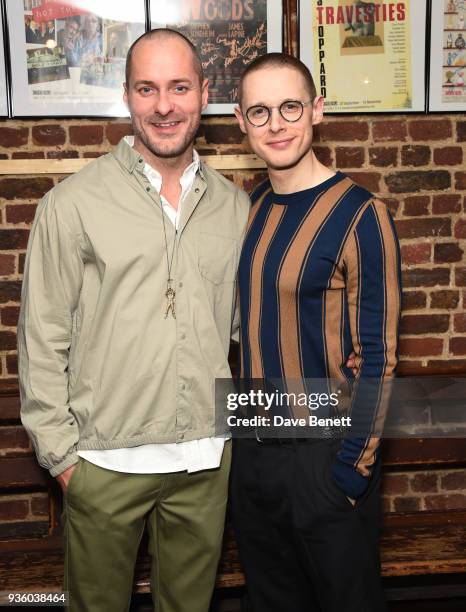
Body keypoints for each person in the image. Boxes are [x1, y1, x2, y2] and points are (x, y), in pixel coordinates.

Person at [18, 29, 250, 612]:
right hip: (103, 463)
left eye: (178, 88)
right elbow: (42, 340)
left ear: (202, 93)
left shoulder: (235, 206)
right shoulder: (71, 204)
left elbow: (251, 330)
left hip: (204, 462)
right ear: (127, 96)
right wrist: (65, 460)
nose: (164, 106)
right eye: (147, 89)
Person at [230, 53, 401, 612]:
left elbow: (377, 356)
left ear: (316, 111)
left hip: (325, 453)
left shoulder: (360, 213)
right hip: (254, 449)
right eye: (260, 111)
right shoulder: (250, 208)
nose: (276, 124)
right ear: (241, 120)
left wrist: (351, 470)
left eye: (289, 107)